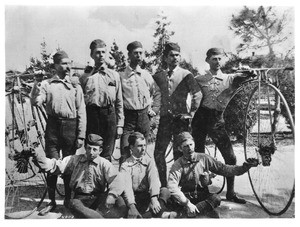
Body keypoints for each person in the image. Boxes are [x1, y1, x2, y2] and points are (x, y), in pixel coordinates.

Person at [191, 48, 255, 204]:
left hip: (216, 120)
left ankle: (231, 193)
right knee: (198, 156)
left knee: (230, 157)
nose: (217, 62)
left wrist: (249, 71)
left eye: (219, 59)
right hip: (200, 119)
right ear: (207, 60)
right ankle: (201, 190)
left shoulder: (229, 78)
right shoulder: (199, 78)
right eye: (214, 59)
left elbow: (247, 76)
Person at [31, 50, 86, 214]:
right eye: (64, 63)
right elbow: (35, 101)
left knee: (69, 166)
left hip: (71, 127)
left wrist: (81, 134)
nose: (68, 66)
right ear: (55, 66)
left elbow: (81, 111)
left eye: (69, 63)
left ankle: (69, 201)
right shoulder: (47, 84)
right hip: (53, 127)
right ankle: (52, 202)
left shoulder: (76, 85)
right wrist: (36, 84)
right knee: (51, 165)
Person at [33, 134, 128, 218]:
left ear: (100, 150)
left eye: (94, 149)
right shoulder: (74, 160)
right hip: (80, 200)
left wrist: (111, 195)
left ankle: (93, 217)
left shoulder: (104, 164)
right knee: (73, 204)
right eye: (88, 148)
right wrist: (37, 156)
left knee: (120, 203)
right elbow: (55, 165)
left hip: (98, 198)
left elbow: (117, 180)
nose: (91, 152)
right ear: (85, 148)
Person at [168, 132, 258, 218]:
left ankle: (188, 213)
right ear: (180, 148)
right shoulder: (177, 165)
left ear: (194, 144)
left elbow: (224, 169)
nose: (189, 148)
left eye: (191, 145)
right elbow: (172, 187)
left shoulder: (204, 158)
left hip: (202, 197)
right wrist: (187, 204)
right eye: (186, 146)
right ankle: (192, 212)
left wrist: (245, 167)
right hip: (186, 198)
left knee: (216, 198)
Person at [153, 42, 202, 187]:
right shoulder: (159, 76)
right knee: (158, 153)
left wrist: (191, 113)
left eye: (177, 55)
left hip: (181, 120)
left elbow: (197, 94)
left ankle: (179, 186)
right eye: (171, 55)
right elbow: (152, 93)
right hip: (165, 120)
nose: (175, 58)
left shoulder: (186, 75)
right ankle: (163, 185)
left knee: (179, 154)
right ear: (166, 58)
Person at [80, 39, 124, 161]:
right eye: (97, 52)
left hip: (109, 115)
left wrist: (120, 124)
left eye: (103, 52)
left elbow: (119, 102)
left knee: (107, 153)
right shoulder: (85, 77)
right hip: (92, 115)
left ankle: (104, 180)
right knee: (92, 152)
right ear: (92, 55)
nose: (101, 55)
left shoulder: (114, 75)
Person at [119, 41, 161, 160]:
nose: (138, 56)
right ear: (129, 55)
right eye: (135, 53)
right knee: (126, 151)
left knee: (143, 152)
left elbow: (157, 93)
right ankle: (125, 178)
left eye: (140, 53)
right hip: (128, 118)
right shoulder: (121, 76)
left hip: (144, 117)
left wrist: (154, 109)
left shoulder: (146, 75)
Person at [120, 132, 176, 218]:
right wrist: (132, 206)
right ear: (131, 147)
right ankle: (159, 215)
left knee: (165, 191)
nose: (143, 149)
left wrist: (154, 198)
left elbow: (153, 179)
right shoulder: (125, 165)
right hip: (134, 198)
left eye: (144, 145)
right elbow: (127, 188)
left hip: (147, 196)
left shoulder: (149, 160)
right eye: (139, 146)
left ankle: (146, 216)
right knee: (122, 202)